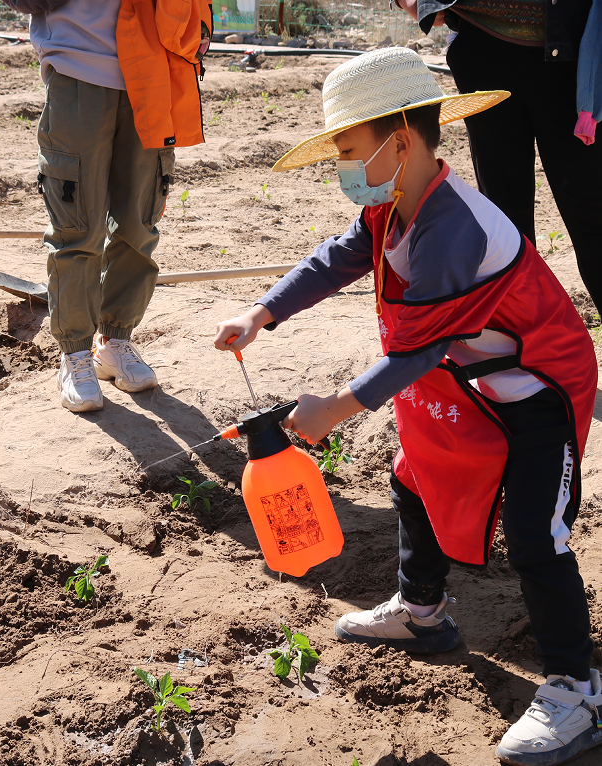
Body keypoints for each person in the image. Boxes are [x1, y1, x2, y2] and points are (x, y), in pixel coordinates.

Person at [214, 47, 602, 766]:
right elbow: (338, 256)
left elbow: (421, 348)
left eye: (349, 150)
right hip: (474, 378)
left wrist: (340, 405)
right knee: (413, 473)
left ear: (401, 141)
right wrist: (262, 312)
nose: (344, 169)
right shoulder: (397, 203)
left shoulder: (456, 229)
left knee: (535, 529)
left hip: (538, 388)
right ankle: (422, 613)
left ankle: (576, 688)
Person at [0, 0, 213, 412]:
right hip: (78, 76)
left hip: (155, 78)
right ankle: (75, 352)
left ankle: (116, 342)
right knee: (78, 227)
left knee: (139, 222)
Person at [387, 0, 602, 316]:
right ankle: (526, 340)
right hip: (482, 49)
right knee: (505, 212)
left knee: (591, 207)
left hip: (579, 58)